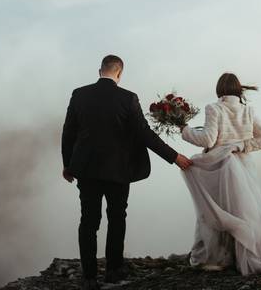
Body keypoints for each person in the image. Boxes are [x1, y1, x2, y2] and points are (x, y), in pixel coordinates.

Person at [61, 54, 193, 289]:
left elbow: (68, 132)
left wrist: (68, 165)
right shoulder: (128, 98)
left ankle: (89, 276)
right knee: (117, 218)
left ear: (99, 70)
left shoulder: (79, 94)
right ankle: (113, 271)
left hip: (86, 169)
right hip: (118, 171)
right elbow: (145, 134)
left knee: (89, 221)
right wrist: (175, 157)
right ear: (120, 73)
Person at [179, 72, 261, 275]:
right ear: (238, 89)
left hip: (220, 167)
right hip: (244, 167)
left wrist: (184, 129)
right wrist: (241, 145)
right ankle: (247, 255)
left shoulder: (214, 108)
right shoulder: (248, 111)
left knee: (217, 213)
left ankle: (218, 257)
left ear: (219, 90)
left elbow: (208, 140)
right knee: (247, 212)